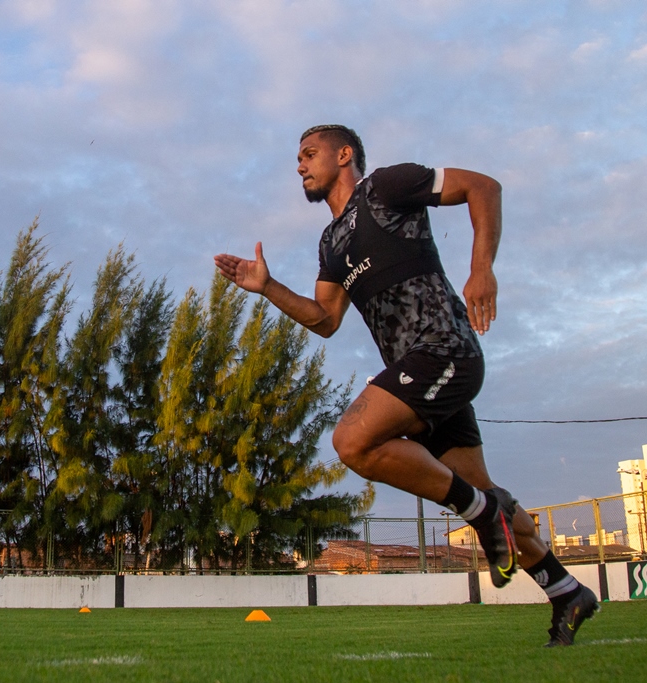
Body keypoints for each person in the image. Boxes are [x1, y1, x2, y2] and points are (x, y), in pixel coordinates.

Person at [214, 124, 599, 647]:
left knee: (352, 441)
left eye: (309, 154)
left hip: (445, 351)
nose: (299, 166)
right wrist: (267, 287)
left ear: (344, 154)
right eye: (298, 159)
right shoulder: (331, 242)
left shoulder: (386, 187)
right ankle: (566, 590)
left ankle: (480, 515)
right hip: (420, 379)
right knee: (489, 499)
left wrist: (481, 267)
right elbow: (325, 318)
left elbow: (483, 187)